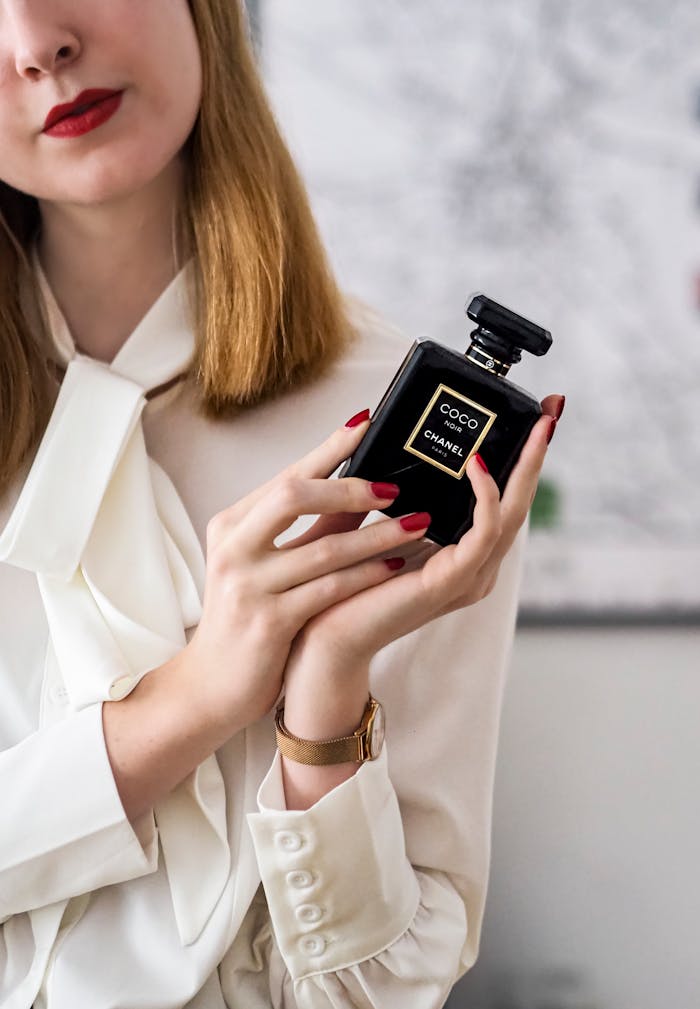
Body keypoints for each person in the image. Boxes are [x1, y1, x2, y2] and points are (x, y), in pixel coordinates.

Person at [0, 2, 565, 1007]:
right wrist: (200, 696)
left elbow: (384, 986)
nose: (36, 43)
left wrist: (324, 696)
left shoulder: (408, 429)